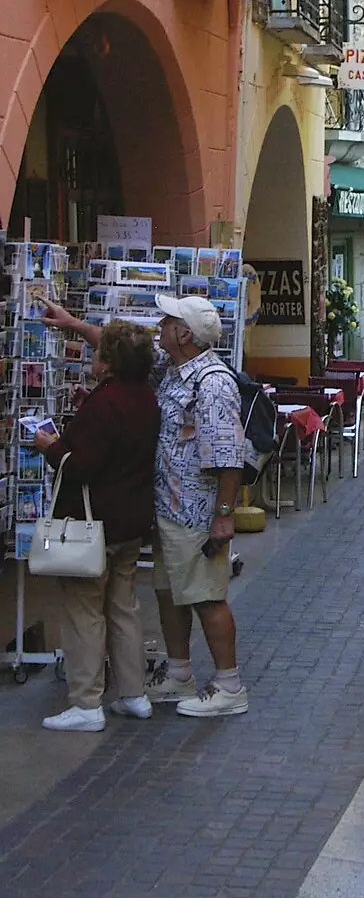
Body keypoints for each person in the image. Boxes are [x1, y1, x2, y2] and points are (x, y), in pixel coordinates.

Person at [42, 293, 249, 718]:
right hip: (168, 510)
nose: (160, 325)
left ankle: (229, 684)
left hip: (197, 511)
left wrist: (224, 517)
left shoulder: (212, 382)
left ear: (184, 333)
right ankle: (179, 673)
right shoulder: (174, 372)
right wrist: (74, 325)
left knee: (206, 596)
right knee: (170, 595)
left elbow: (228, 456)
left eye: (167, 320)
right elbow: (120, 351)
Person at [35, 322, 160, 732]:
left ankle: (87, 702)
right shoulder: (145, 397)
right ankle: (133, 693)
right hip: (131, 522)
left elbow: (82, 464)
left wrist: (50, 447)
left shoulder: (104, 405)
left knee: (85, 610)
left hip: (93, 525)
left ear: (107, 363)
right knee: (123, 607)